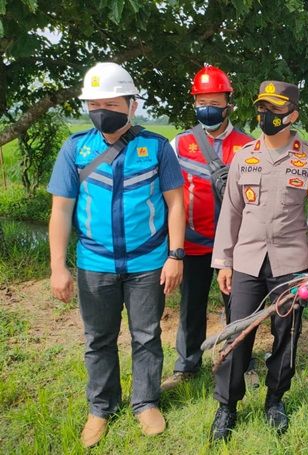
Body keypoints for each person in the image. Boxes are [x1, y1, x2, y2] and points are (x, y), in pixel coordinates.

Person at [47, 62, 185, 447]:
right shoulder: (76, 149)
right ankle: (100, 408)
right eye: (94, 103)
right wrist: (58, 267)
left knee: (147, 335)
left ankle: (146, 402)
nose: (101, 110)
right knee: (98, 339)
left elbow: (176, 203)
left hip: (148, 262)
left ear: (131, 104)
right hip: (95, 263)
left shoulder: (156, 147)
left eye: (110, 102)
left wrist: (176, 255)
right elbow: (60, 210)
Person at [209, 80, 308, 439]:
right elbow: (231, 211)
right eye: (262, 108)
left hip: (291, 264)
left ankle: (275, 399)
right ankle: (227, 406)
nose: (266, 115)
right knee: (237, 333)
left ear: (292, 114)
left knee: (286, 335)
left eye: (275, 110)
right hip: (247, 260)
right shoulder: (243, 156)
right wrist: (225, 261)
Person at [161, 66, 253, 391]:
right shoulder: (180, 144)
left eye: (215, 102)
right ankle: (187, 365)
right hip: (194, 242)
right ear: (195, 104)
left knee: (239, 307)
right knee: (191, 306)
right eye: (202, 102)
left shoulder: (248, 145)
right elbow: (168, 195)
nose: (208, 109)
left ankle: (241, 362)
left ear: (228, 104)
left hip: (235, 246)